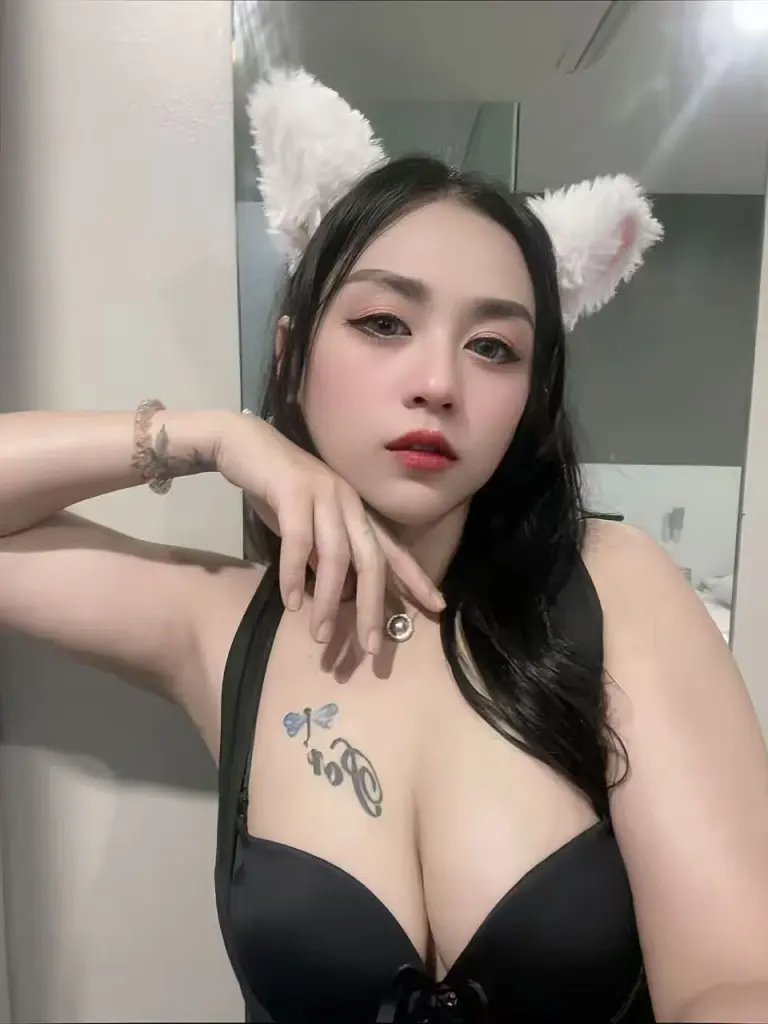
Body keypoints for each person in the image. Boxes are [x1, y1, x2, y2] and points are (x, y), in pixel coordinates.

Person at [1, 68, 768, 1024]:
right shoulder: (219, 627)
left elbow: (736, 982)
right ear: (292, 354)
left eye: (493, 347)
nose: (438, 381)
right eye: (383, 323)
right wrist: (213, 437)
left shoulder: (618, 589)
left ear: (529, 397)